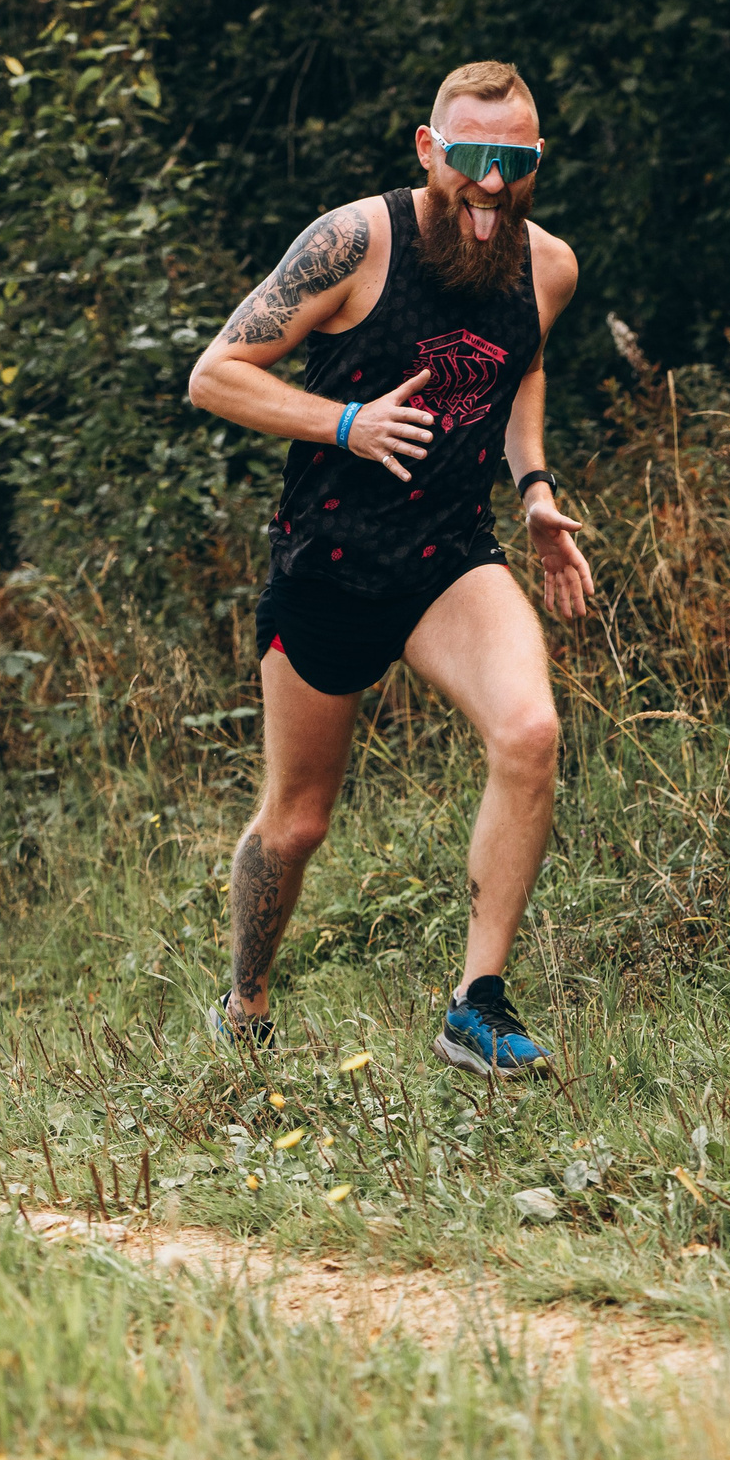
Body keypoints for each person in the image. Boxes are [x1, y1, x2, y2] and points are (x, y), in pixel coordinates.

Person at [185, 59, 586, 1075]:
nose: (491, 184)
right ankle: (245, 999)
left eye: (516, 161)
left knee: (530, 730)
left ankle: (474, 1004)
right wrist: (348, 424)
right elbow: (216, 375)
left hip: (448, 558)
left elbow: (524, 364)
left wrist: (534, 486)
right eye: (471, 158)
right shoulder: (355, 241)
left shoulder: (547, 266)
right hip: (328, 561)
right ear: (428, 148)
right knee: (297, 821)